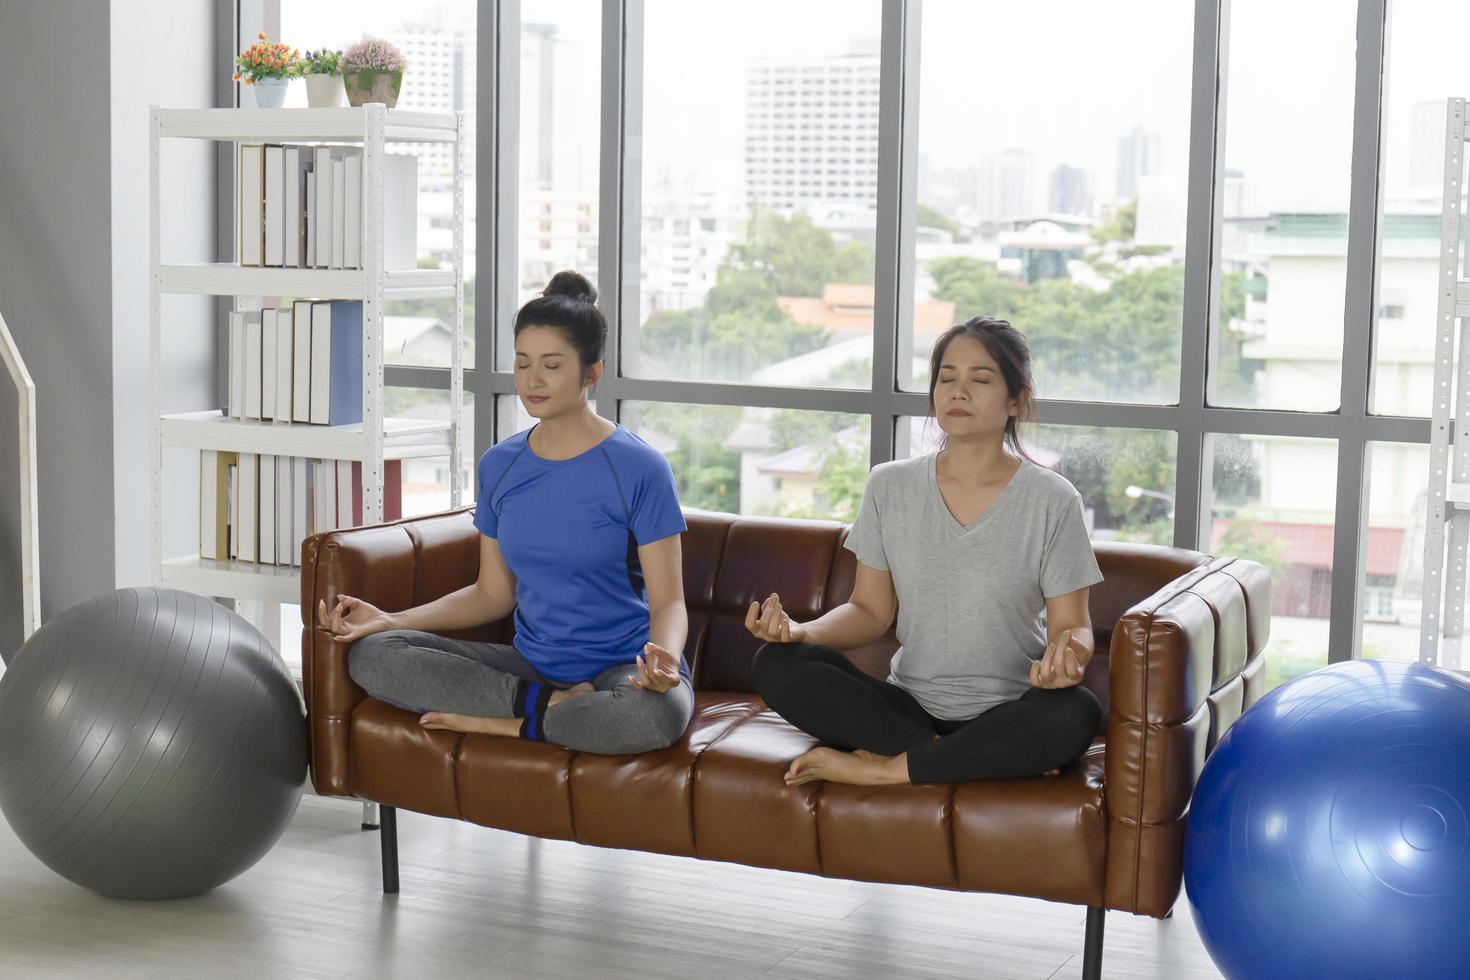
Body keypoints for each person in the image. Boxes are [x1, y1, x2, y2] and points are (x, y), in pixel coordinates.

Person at [318, 270, 693, 755]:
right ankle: (554, 704)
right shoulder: (501, 465)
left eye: (552, 366)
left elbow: (669, 603)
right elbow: (492, 594)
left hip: (624, 664)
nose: (532, 380)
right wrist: (390, 620)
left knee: (651, 715)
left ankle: (511, 722)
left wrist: (661, 660)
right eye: (522, 364)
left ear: (591, 373)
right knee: (374, 656)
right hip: (534, 667)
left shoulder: (639, 467)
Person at [746, 315, 1104, 786]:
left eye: (980, 379)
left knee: (1076, 712)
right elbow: (870, 611)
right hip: (906, 709)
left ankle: (887, 770)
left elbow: (1071, 624)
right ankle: (960, 759)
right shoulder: (889, 485)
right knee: (776, 663)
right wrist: (800, 632)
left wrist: (1068, 657)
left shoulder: (1054, 500)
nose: (958, 392)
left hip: (1011, 710)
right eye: (946, 378)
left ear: (1016, 400)